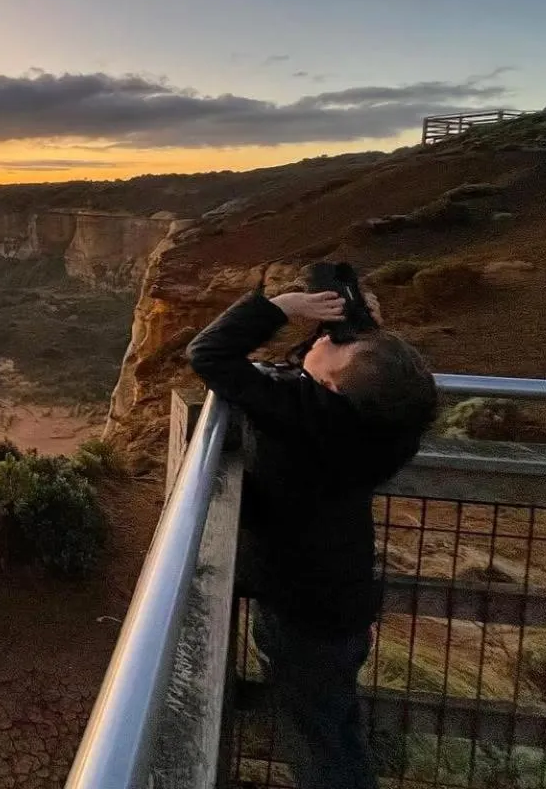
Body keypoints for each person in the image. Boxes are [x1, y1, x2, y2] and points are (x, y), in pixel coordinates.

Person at [186, 283, 437, 789]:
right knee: (337, 727)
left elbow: (208, 353)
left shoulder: (300, 419)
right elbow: (335, 380)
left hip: (300, 613)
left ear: (330, 392)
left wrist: (277, 308)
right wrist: (357, 331)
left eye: (339, 344)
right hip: (343, 606)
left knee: (317, 745)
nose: (326, 339)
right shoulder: (376, 428)